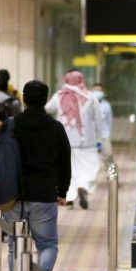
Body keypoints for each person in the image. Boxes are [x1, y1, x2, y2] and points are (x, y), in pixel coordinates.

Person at [5, 80, 71, 271]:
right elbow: (65, 162)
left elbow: (0, 157)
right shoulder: (56, 128)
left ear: (24, 99)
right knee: (47, 244)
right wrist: (62, 191)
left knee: (14, 246)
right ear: (46, 100)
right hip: (44, 194)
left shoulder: (11, 125)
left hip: (14, 196)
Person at [45, 69, 102, 210]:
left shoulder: (58, 96)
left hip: (64, 141)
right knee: (88, 168)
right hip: (86, 141)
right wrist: (99, 137)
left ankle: (69, 197)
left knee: (67, 169)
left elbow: (46, 110)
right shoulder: (90, 97)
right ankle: (83, 187)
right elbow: (98, 119)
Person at [91, 83, 112, 159]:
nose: (97, 92)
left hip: (104, 135)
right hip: (91, 136)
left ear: (103, 92)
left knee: (108, 156)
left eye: (99, 90)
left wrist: (107, 133)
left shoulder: (106, 105)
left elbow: (109, 121)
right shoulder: (88, 104)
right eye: (96, 90)